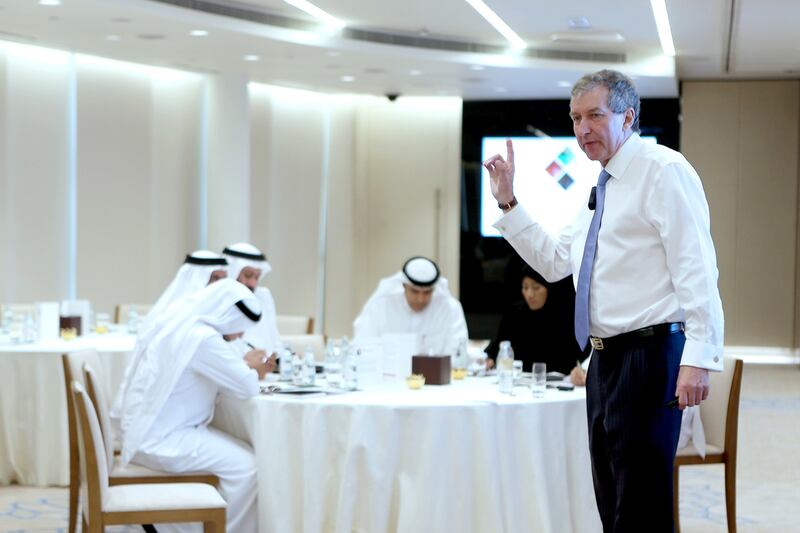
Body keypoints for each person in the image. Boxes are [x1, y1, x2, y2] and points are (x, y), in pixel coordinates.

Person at [483, 69, 724, 532]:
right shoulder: (600, 187)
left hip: (651, 356)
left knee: (641, 505)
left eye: (595, 115)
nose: (582, 129)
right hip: (604, 360)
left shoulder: (664, 170)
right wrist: (509, 202)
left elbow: (697, 270)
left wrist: (699, 358)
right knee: (611, 498)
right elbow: (555, 262)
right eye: (575, 118)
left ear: (628, 116)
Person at [116, 279, 270, 533]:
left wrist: (242, 365)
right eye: (239, 328)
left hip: (149, 431)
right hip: (163, 439)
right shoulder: (203, 338)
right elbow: (248, 385)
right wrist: (251, 367)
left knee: (240, 454)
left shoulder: (184, 324)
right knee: (247, 466)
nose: (241, 335)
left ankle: (184, 526)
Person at [485, 265, 588, 377]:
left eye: (536, 287)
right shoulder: (515, 314)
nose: (530, 295)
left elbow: (580, 355)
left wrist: (579, 372)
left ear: (549, 288)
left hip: (558, 383)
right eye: (525, 287)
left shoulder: (566, 316)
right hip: (519, 381)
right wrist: (490, 358)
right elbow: (498, 346)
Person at [353, 256, 468, 354]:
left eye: (427, 292)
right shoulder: (381, 306)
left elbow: (457, 351)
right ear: (404, 285)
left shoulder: (449, 308)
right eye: (415, 291)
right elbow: (363, 346)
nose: (421, 299)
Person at [143, 250, 228, 331]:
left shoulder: (222, 307)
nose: (220, 284)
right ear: (199, 278)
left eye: (223, 278)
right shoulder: (175, 311)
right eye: (215, 278)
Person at [222, 242, 281, 359]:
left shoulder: (263, 295)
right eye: (248, 275)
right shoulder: (220, 301)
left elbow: (275, 340)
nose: (253, 283)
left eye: (257, 277)